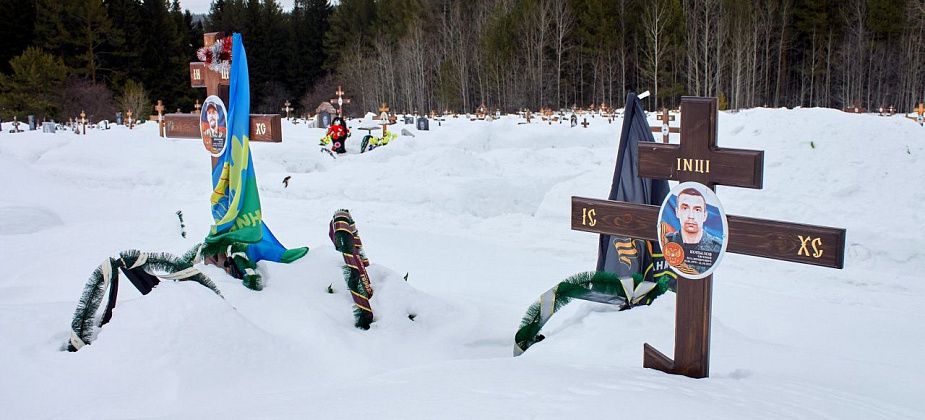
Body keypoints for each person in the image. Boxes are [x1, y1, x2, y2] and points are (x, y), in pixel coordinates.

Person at [665, 187, 723, 274]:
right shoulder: (666, 241)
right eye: (685, 208)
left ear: (705, 215)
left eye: (697, 210)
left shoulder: (717, 247)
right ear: (677, 212)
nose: (691, 216)